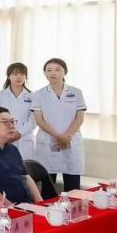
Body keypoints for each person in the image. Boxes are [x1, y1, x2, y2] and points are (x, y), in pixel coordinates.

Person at [31, 58, 86, 192]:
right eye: (49, 70)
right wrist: (59, 137)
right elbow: (39, 120)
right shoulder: (38, 94)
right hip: (49, 141)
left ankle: (72, 206)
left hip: (70, 140)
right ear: (45, 73)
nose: (53, 73)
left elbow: (79, 118)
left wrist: (66, 137)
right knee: (48, 186)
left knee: (73, 186)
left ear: (64, 72)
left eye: (57, 69)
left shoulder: (76, 92)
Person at [0, 62, 36, 159]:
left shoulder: (32, 96)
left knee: (25, 166)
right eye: (15, 74)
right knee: (5, 165)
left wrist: (20, 133)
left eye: (22, 74)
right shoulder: (0, 95)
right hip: (5, 137)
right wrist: (7, 134)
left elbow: (34, 119)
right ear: (8, 76)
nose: (18, 77)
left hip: (25, 139)